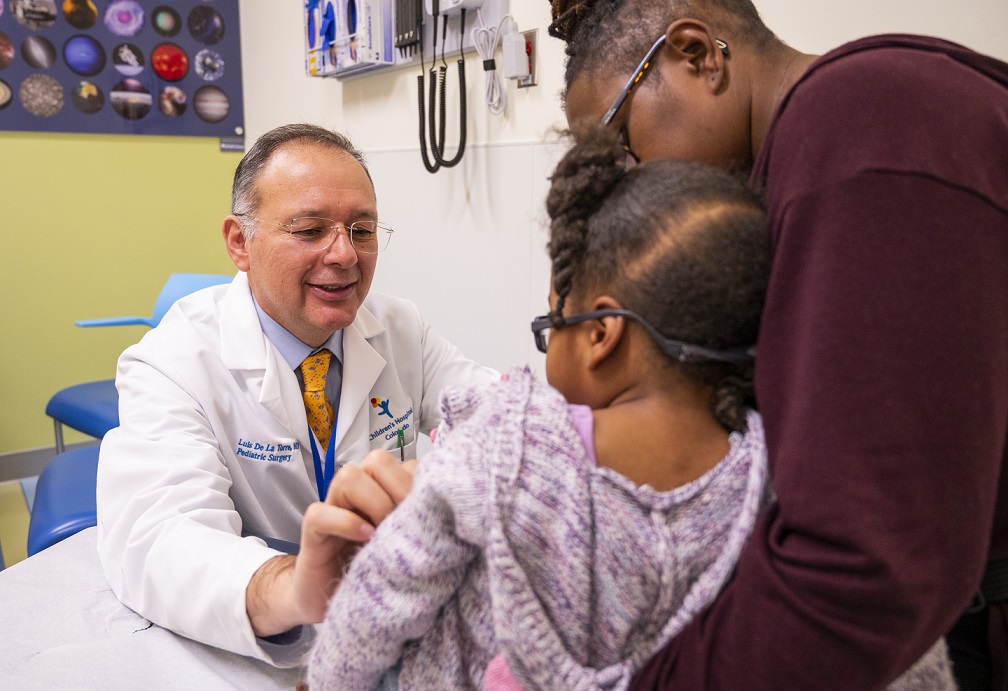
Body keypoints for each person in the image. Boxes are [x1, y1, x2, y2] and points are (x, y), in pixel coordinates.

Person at [302, 126, 942, 690]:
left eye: (554, 319)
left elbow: (379, 601)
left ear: (602, 331)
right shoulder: (780, 483)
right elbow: (901, 654)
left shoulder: (505, 445)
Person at [547, 1, 1008, 689]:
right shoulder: (813, 158)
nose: (632, 173)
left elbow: (862, 566)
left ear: (698, 54)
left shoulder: (866, 128)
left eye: (625, 139)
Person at [95, 123, 498, 666]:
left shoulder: (400, 327)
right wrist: (292, 585)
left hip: (389, 629)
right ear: (241, 242)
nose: (345, 256)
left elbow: (497, 417)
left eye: (362, 229)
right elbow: (158, 538)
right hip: (260, 648)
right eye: (310, 230)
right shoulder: (173, 362)